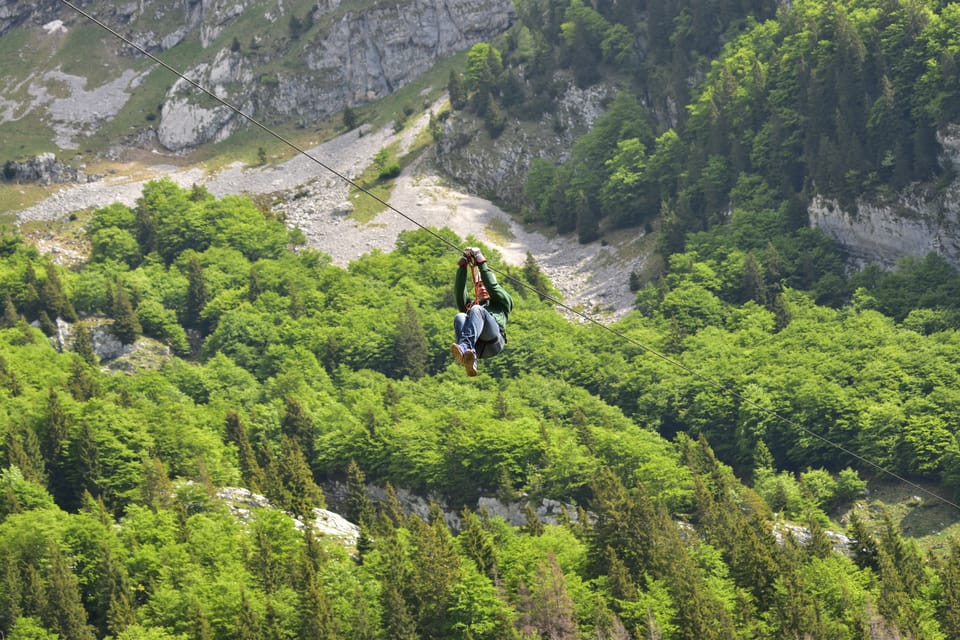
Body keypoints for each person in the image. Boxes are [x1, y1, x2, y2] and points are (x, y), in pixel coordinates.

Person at [450, 246, 513, 376]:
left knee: (476, 309)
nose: (483, 288)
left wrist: (481, 262)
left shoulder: (502, 301)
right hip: (478, 348)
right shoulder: (472, 306)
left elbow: (493, 286)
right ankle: (469, 356)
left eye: (485, 285)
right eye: (479, 286)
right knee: (460, 316)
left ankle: (465, 346)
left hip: (494, 341)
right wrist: (462, 267)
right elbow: (459, 292)